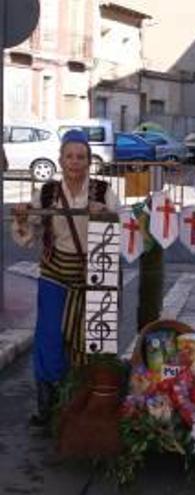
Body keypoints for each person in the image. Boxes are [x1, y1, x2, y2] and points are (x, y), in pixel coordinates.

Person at [11, 129, 120, 427]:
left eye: (81, 157)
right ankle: (48, 405)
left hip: (93, 277)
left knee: (93, 339)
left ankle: (88, 402)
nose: (75, 162)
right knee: (48, 337)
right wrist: (22, 216)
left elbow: (124, 230)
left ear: (89, 161)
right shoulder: (46, 193)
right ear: (60, 160)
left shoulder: (104, 191)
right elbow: (28, 236)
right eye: (69, 156)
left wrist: (105, 215)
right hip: (55, 273)